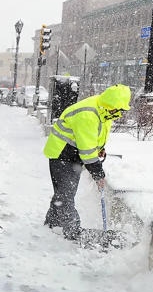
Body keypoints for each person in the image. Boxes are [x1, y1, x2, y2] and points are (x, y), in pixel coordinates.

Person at [42, 83, 131, 239]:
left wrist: (99, 148)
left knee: (64, 192)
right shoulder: (88, 114)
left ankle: (53, 221)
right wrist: (98, 175)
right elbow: (87, 151)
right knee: (66, 194)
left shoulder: (104, 109)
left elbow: (93, 137)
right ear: (112, 106)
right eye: (120, 109)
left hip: (73, 154)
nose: (121, 113)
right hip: (62, 153)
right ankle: (73, 231)